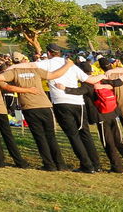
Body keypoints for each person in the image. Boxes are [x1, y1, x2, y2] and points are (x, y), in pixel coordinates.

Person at [0, 54, 71, 171]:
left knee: (40, 137)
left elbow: (0, 78)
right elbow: (55, 74)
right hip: (45, 105)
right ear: (24, 60)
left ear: (13, 61)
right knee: (51, 136)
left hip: (29, 107)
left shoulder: (14, 71)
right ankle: (60, 164)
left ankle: (49, 164)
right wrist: (68, 64)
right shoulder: (35, 69)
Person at [35, 45, 100, 174]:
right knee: (85, 133)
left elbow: (31, 66)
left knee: (73, 135)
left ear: (48, 53)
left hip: (61, 102)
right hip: (78, 102)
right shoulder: (71, 65)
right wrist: (106, 76)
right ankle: (96, 164)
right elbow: (89, 79)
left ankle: (87, 165)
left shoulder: (46, 63)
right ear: (59, 53)